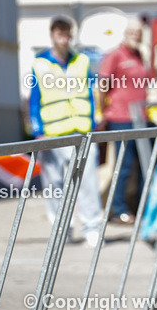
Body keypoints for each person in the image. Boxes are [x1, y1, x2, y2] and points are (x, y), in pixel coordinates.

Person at [28, 15, 105, 247]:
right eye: (60, 34)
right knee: (53, 186)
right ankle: (62, 229)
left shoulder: (81, 61)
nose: (64, 39)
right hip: (52, 133)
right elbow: (34, 99)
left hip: (82, 132)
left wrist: (94, 119)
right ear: (52, 35)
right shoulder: (39, 63)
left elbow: (91, 92)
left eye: (67, 34)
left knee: (88, 182)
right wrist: (36, 130)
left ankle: (92, 227)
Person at [98, 18, 153, 224]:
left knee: (142, 163)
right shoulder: (115, 55)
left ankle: (140, 207)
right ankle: (118, 208)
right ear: (124, 33)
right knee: (125, 164)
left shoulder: (140, 56)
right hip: (120, 117)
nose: (135, 36)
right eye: (131, 32)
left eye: (138, 32)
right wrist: (103, 112)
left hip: (140, 117)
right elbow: (103, 85)